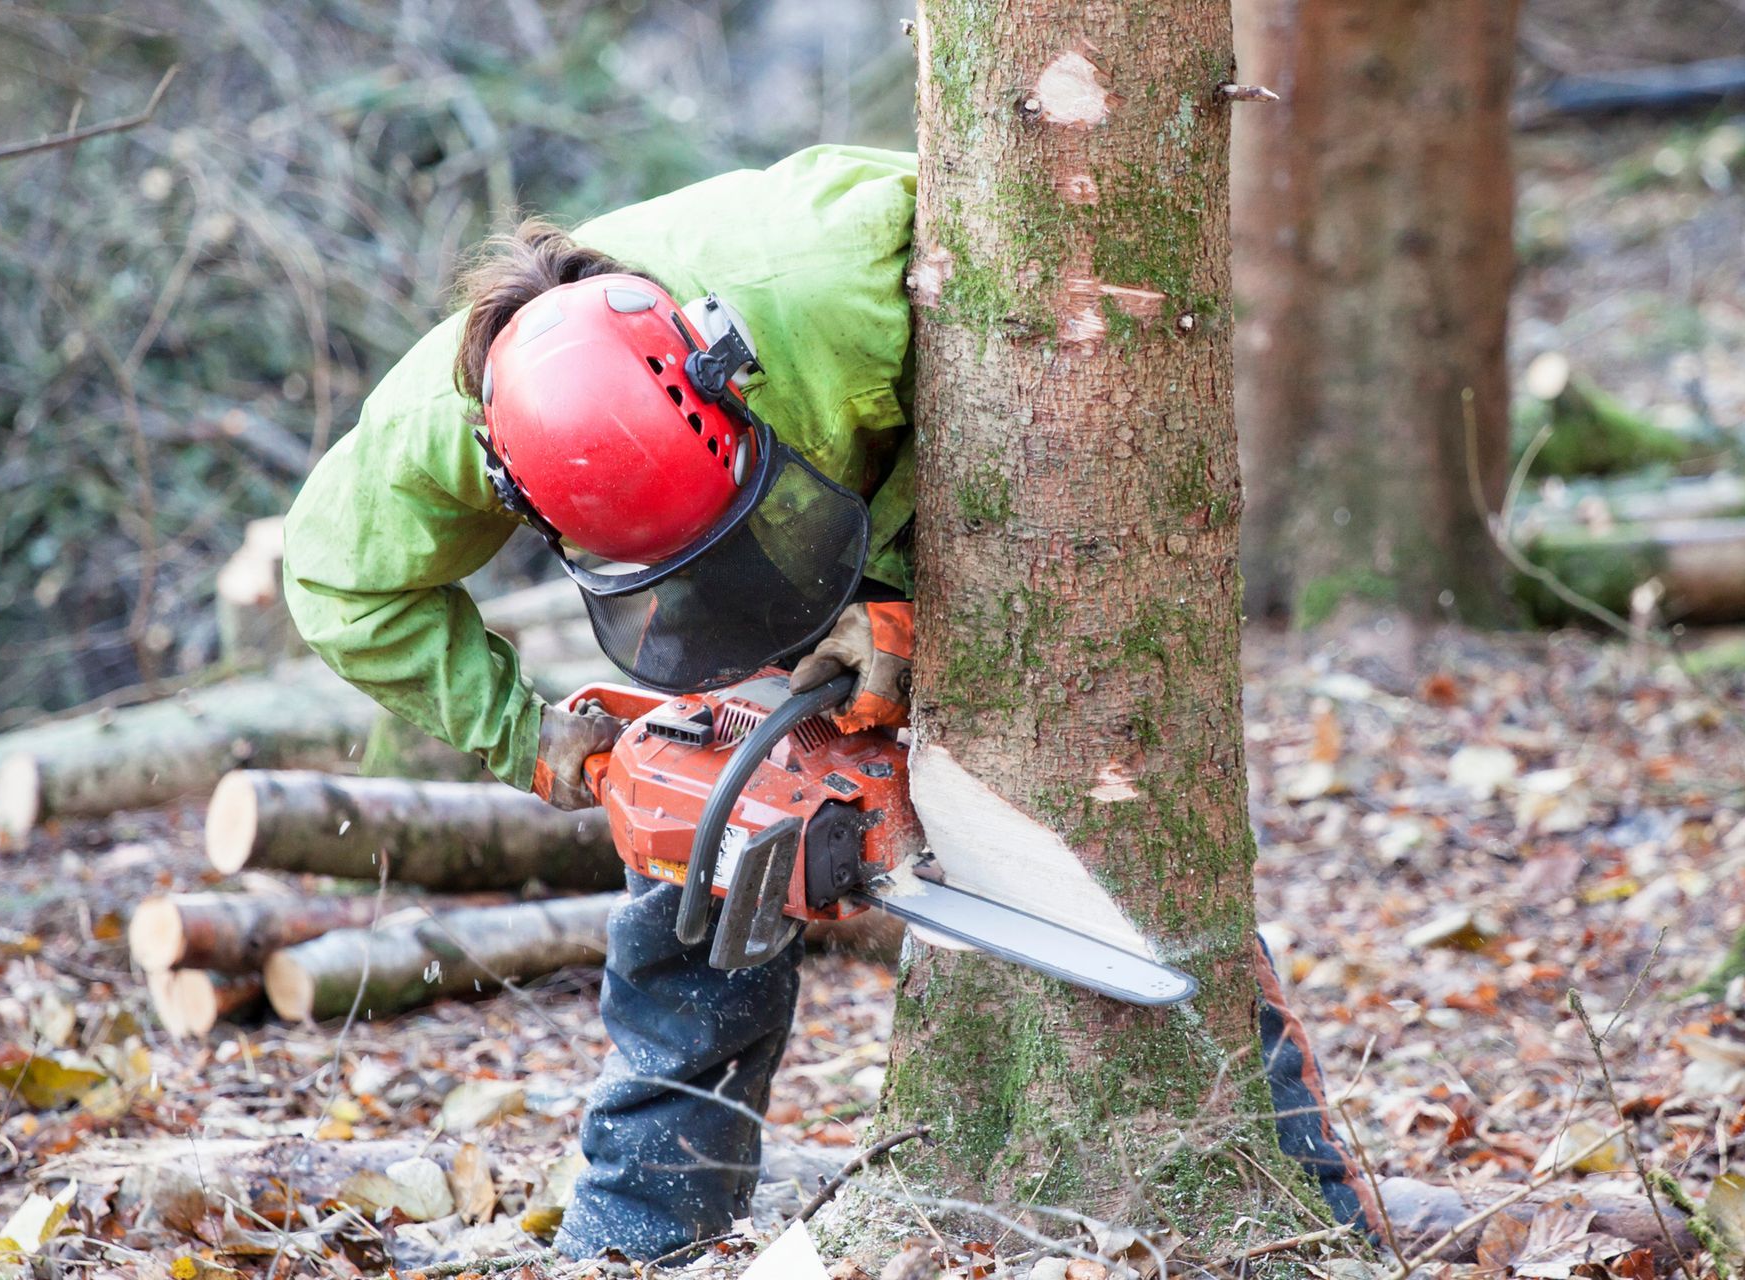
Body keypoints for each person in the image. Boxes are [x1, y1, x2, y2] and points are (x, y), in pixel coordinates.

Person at [282, 144, 1383, 1260]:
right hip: (692, 564)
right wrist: (534, 738)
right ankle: (640, 1232)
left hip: (904, 487)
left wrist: (910, 593)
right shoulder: (450, 424)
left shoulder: (854, 283)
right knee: (695, 859)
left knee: (1098, 824)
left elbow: (1032, 344)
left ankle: (1307, 1198)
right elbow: (338, 581)